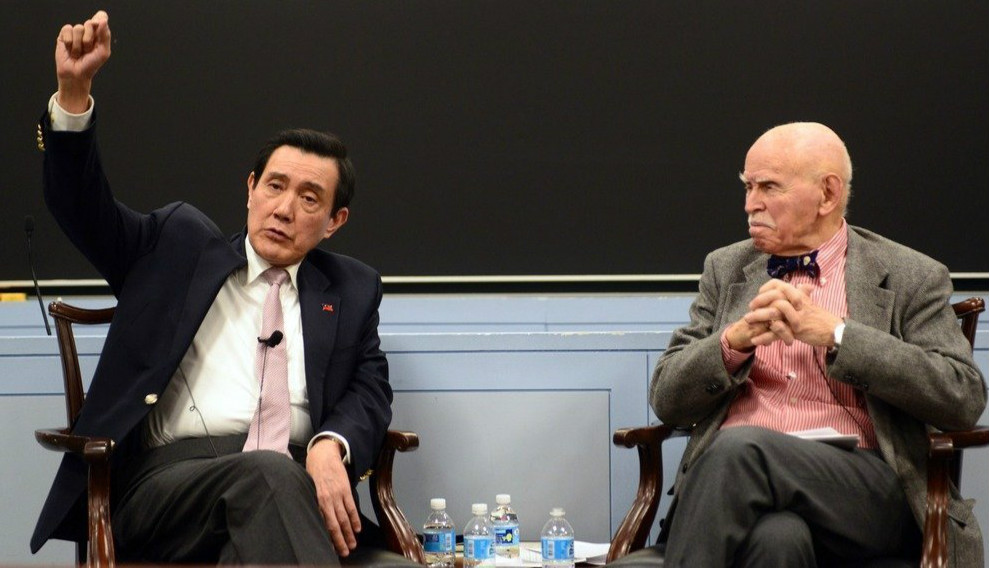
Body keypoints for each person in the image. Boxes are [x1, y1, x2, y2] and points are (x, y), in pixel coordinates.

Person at [31, 11, 403, 565]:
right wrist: (73, 94)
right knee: (269, 476)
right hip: (169, 488)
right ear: (250, 189)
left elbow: (370, 393)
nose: (284, 208)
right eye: (274, 186)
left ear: (334, 221)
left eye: (308, 198)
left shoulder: (351, 289)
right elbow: (82, 209)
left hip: (293, 496)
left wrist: (331, 444)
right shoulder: (176, 248)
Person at [640, 122, 986, 566]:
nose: (750, 204)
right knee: (777, 540)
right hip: (737, 495)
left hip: (861, 490)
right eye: (748, 187)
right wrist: (732, 343)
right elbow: (667, 399)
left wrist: (838, 335)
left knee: (739, 449)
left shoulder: (909, 275)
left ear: (827, 194)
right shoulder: (726, 269)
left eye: (769, 187)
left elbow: (961, 396)